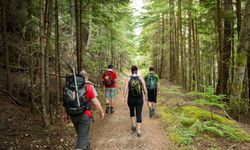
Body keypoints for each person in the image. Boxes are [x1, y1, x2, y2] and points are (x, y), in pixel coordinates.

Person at [64, 70, 105, 150]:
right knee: (81, 138)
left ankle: (86, 147)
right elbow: (95, 102)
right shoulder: (89, 86)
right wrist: (101, 112)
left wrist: (65, 114)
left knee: (81, 135)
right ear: (87, 77)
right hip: (85, 115)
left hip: (73, 114)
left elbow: (66, 101)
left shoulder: (71, 86)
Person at [123, 65, 148, 137]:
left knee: (132, 111)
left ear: (131, 70)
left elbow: (125, 88)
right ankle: (139, 130)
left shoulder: (128, 79)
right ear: (137, 70)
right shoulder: (140, 78)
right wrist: (146, 96)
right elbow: (144, 88)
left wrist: (124, 97)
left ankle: (133, 125)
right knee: (139, 113)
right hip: (139, 98)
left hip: (130, 98)